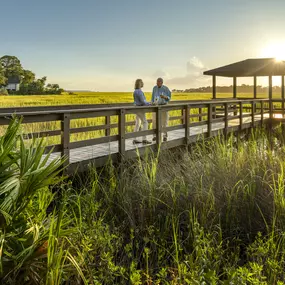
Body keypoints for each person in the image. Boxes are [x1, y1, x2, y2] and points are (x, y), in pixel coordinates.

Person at [133, 79, 152, 145]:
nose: (143, 83)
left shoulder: (135, 91)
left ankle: (134, 139)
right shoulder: (139, 91)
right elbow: (143, 101)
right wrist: (150, 103)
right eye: (142, 82)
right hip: (140, 109)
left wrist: (147, 103)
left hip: (136, 108)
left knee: (138, 123)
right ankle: (144, 139)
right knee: (145, 122)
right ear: (139, 83)